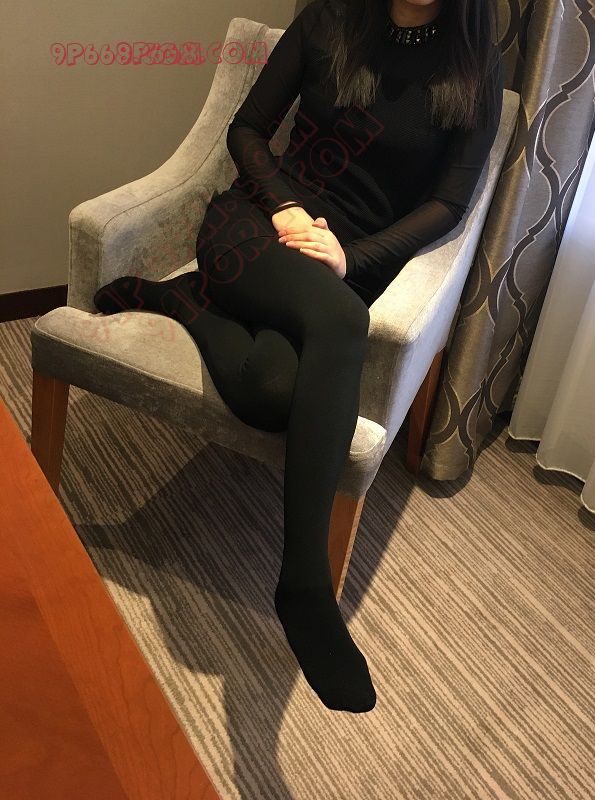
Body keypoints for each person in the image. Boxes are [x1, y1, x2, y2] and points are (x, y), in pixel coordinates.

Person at [93, 0, 504, 713]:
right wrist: (283, 205)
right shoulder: (331, 18)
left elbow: (449, 204)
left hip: (342, 262)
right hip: (255, 229)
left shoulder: (473, 63)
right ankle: (306, 587)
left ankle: (183, 302)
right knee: (341, 322)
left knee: (272, 392)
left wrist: (354, 257)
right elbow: (247, 128)